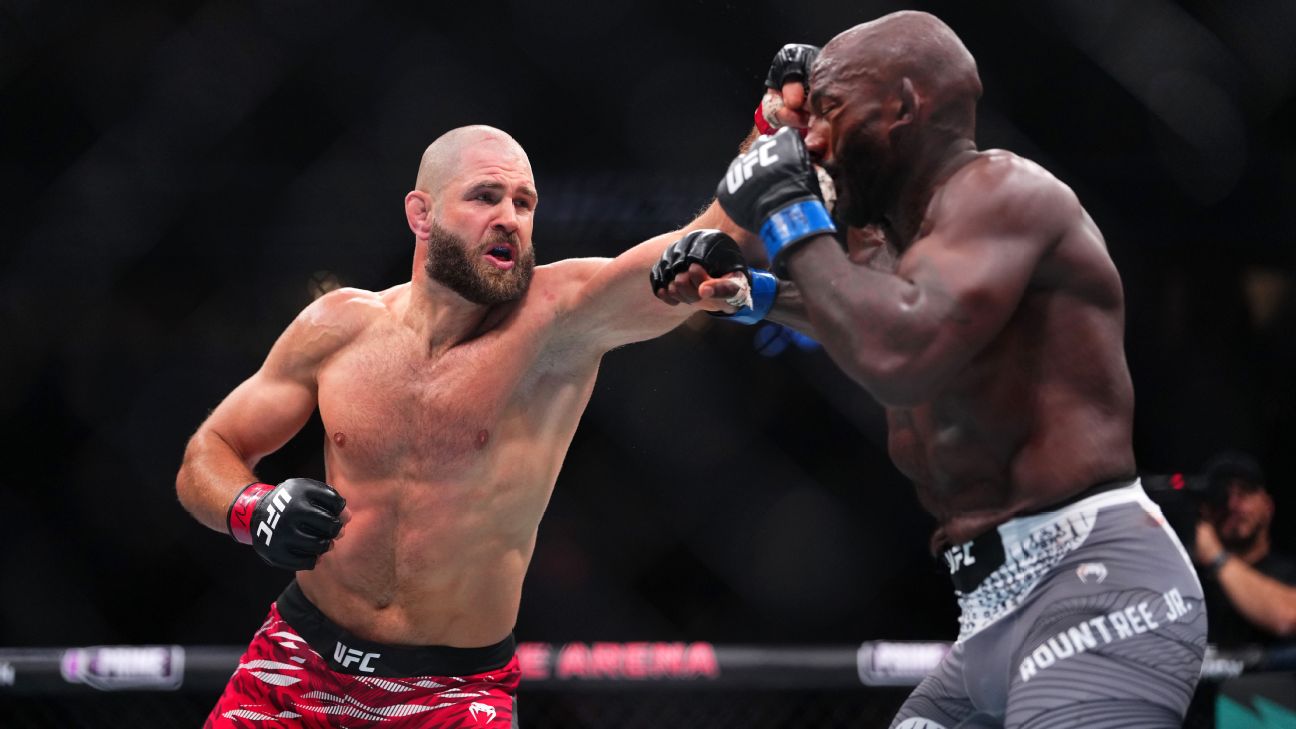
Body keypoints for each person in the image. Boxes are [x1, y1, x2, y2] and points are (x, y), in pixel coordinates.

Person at [654, 11, 1207, 728]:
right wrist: (753, 295)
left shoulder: (1004, 193)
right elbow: (872, 314)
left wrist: (787, 209)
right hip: (987, 616)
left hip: (1095, 593)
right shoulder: (908, 241)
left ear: (904, 107)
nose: (813, 140)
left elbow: (898, 355)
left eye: (832, 113)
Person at [176, 125, 752, 727]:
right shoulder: (338, 327)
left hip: (450, 693)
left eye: (524, 203)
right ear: (421, 214)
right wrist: (252, 509)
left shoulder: (557, 320)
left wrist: (768, 136)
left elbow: (699, 244)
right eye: (485, 197)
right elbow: (208, 452)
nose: (510, 219)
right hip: (296, 662)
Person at [1193, 450, 1296, 646]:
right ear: (1205, 510)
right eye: (1222, 496)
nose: (1232, 505)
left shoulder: (1289, 572)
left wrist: (1217, 556)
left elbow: (1289, 617)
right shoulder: (1191, 581)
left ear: (1267, 506)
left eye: (1244, 493)